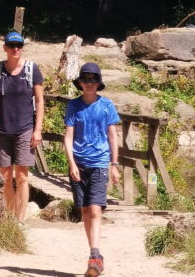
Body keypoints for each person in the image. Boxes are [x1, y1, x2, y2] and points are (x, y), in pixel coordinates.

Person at [63, 62, 120, 277]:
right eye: (85, 79)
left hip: (99, 163)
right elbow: (68, 137)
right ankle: (94, 255)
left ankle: (95, 254)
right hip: (78, 163)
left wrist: (114, 165)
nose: (89, 83)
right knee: (85, 211)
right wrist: (71, 164)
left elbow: (113, 136)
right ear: (80, 82)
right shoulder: (73, 106)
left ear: (99, 83)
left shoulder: (107, 106)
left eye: (93, 79)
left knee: (95, 209)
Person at [0, 30, 45, 222]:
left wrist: (37, 130)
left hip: (24, 129)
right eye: (12, 45)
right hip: (1, 129)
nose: (16, 49)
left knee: (22, 176)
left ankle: (20, 220)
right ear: (5, 48)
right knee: (5, 176)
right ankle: (10, 218)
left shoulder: (31, 70)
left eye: (19, 45)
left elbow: (40, 101)